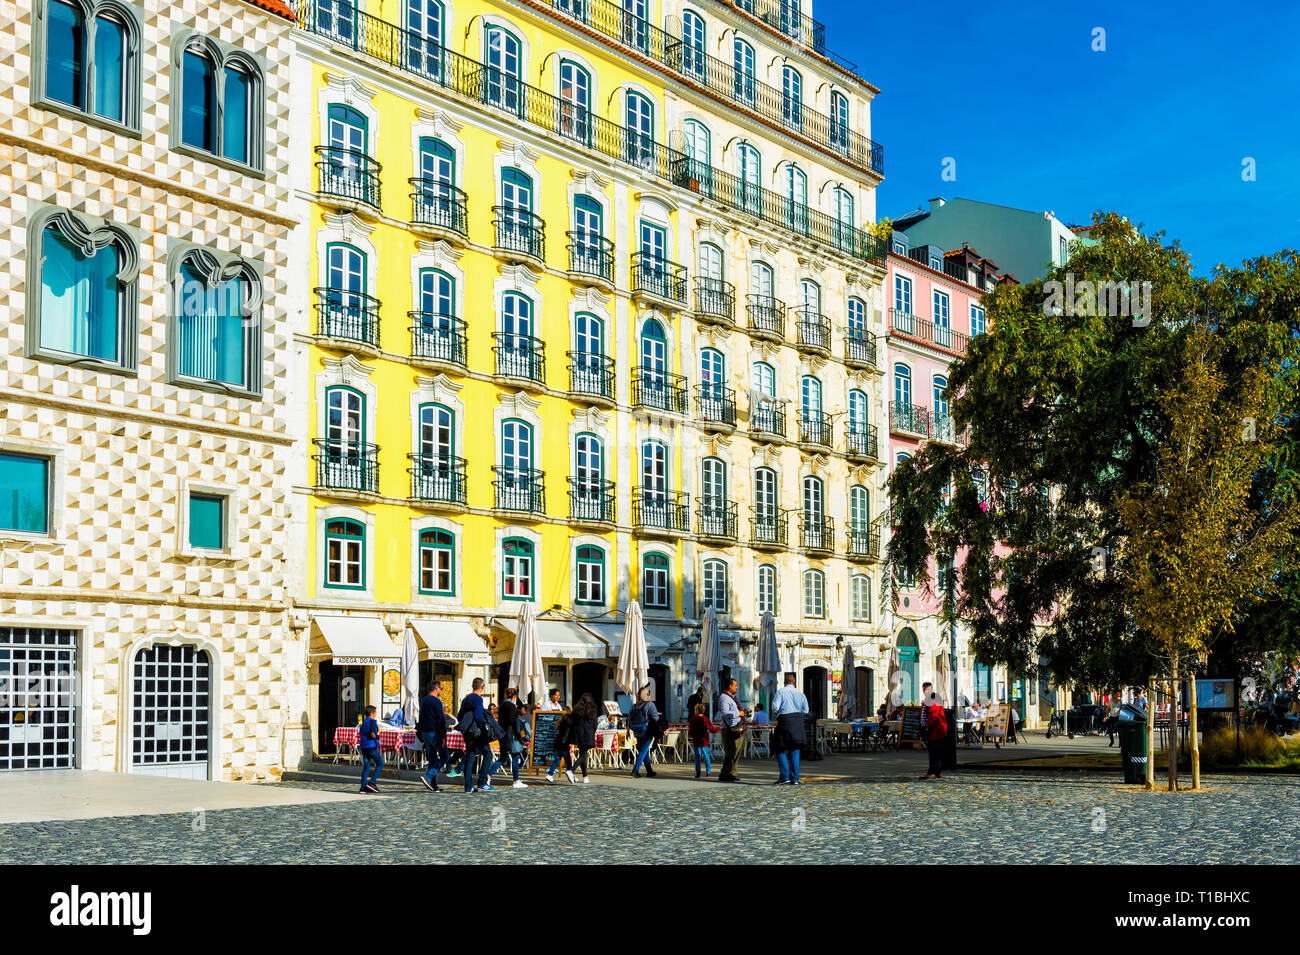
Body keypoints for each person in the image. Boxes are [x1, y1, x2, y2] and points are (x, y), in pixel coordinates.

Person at [770, 673, 809, 785]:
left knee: (780, 749)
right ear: (794, 682)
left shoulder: (781, 692)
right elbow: (805, 710)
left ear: (784, 682)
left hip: (784, 721)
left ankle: (784, 776)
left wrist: (778, 713)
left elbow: (775, 707)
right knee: (795, 750)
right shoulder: (800, 694)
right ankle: (794, 778)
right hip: (797, 722)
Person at [457, 678, 494, 794]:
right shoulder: (478, 699)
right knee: (488, 754)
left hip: (467, 732)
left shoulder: (466, 699)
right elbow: (478, 716)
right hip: (477, 732)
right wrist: (483, 725)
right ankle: (482, 782)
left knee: (469, 757)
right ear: (482, 687)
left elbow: (459, 716)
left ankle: (468, 786)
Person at [417, 682, 447, 793]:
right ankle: (428, 777)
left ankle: (433, 785)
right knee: (444, 756)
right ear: (436, 688)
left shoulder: (423, 700)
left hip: (425, 732)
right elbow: (440, 719)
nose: (441, 690)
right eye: (440, 688)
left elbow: (421, 717)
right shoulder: (437, 702)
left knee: (432, 759)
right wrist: (443, 736)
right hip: (434, 732)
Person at [717, 678, 746, 782]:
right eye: (735, 685)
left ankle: (732, 773)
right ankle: (724, 773)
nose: (737, 687)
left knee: (736, 752)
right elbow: (725, 714)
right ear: (730, 686)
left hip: (737, 727)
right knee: (730, 753)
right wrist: (739, 713)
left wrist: (743, 712)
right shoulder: (724, 698)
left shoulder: (732, 697)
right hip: (729, 729)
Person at [498, 687, 527, 789]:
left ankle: (487, 776)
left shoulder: (501, 705)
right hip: (510, 734)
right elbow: (512, 721)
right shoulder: (511, 706)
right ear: (515, 697)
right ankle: (516, 780)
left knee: (502, 757)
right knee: (515, 756)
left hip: (502, 733)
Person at [629, 686, 660, 778]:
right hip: (647, 731)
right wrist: (662, 729)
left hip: (636, 730)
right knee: (643, 750)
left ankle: (649, 771)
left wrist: (627, 730)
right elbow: (656, 718)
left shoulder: (634, 706)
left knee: (644, 751)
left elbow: (629, 718)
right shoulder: (650, 705)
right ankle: (635, 770)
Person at [569, 693, 598, 784]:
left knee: (583, 754)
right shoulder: (592, 710)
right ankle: (571, 770)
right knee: (583, 755)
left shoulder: (577, 709)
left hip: (579, 734)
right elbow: (595, 724)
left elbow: (573, 721)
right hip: (588, 734)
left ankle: (585, 776)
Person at [688, 702, 719, 779]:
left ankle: (698, 772)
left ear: (696, 710)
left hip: (696, 740)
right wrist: (719, 728)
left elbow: (690, 731)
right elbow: (712, 729)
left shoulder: (693, 719)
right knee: (706, 756)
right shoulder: (706, 719)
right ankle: (708, 772)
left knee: (697, 756)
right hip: (704, 740)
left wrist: (692, 735)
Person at [921, 694, 948, 779]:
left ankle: (932, 772)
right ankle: (938, 771)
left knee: (933, 752)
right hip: (940, 730)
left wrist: (928, 729)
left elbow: (933, 717)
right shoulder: (936, 705)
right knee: (937, 752)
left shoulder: (933, 705)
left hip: (935, 731)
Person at [357, 705, 383, 794]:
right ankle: (372, 782)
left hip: (364, 746)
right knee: (380, 764)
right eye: (375, 713)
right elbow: (372, 734)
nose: (376, 715)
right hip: (371, 746)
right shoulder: (372, 722)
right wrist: (378, 737)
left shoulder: (364, 722)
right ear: (372, 714)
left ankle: (363, 787)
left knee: (366, 766)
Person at [545, 708, 575, 783]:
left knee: (557, 760)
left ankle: (550, 774)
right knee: (568, 761)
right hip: (564, 744)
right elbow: (567, 734)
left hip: (557, 744)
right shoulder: (569, 723)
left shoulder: (561, 722)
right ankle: (569, 772)